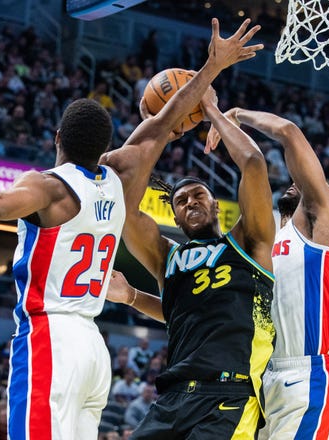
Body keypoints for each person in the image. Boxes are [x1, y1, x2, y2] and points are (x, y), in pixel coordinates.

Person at [0, 16, 260, 440]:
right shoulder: (121, 174)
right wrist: (213, 68)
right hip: (93, 348)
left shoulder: (49, 187)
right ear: (104, 144)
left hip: (50, 337)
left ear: (58, 137)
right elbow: (165, 121)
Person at [105, 58, 274, 440]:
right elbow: (122, 199)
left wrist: (210, 109)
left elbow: (252, 164)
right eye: (180, 201)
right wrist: (162, 126)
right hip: (174, 396)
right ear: (175, 218)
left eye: (199, 195)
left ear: (217, 205)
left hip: (228, 394)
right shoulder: (167, 256)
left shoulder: (248, 242)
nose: (190, 202)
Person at [207, 108, 329, 439]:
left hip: (307, 376)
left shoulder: (318, 226)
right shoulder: (265, 242)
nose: (296, 181)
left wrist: (235, 114)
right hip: (263, 379)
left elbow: (289, 132)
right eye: (294, 180)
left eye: (304, 181)